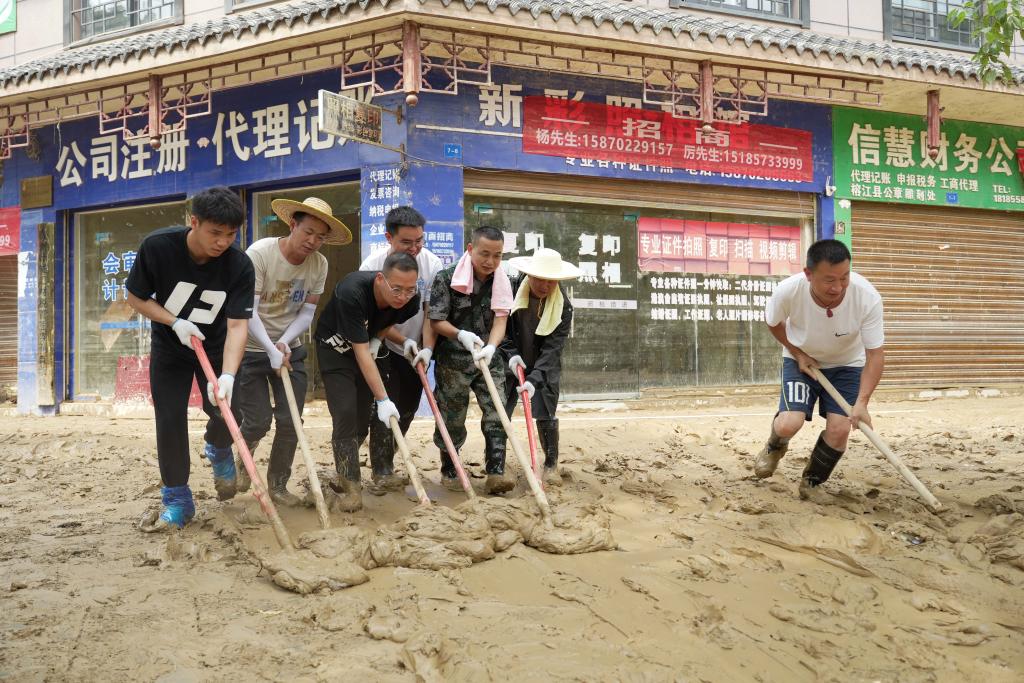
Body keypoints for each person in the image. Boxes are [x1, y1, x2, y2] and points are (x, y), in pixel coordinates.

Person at [126, 186, 255, 531]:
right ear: (193, 222)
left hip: (216, 347)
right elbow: (135, 297)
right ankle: (177, 498)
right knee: (169, 418)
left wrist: (228, 375)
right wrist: (174, 322)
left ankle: (218, 446)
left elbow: (238, 325)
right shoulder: (158, 247)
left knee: (229, 411)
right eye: (215, 232)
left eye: (231, 234)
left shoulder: (240, 266)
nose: (223, 242)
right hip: (172, 345)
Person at [232, 197, 351, 506]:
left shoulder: (319, 264)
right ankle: (243, 459)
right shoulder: (260, 254)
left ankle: (278, 485)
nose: (313, 241)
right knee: (257, 420)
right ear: (293, 224)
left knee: (291, 421)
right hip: (251, 349)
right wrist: (269, 348)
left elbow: (307, 313)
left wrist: (284, 343)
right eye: (308, 232)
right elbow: (248, 311)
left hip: (289, 349)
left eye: (320, 237)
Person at [754, 239, 885, 498]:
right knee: (789, 423)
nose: (838, 287)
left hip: (847, 365)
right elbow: (773, 322)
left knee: (840, 429)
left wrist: (862, 402)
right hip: (801, 359)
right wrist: (798, 353)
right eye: (829, 280)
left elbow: (875, 355)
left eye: (844, 277)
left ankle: (812, 481)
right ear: (808, 274)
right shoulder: (788, 291)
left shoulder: (867, 297)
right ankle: (774, 447)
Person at [315, 252, 422, 511]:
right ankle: (352, 487)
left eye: (410, 289)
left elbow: (388, 321)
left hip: (366, 347)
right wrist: (384, 399)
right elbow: (361, 354)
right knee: (345, 412)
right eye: (396, 289)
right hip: (335, 350)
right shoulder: (351, 292)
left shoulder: (411, 299)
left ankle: (344, 469)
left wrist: (377, 338)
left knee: (362, 418)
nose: (403, 296)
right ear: (380, 279)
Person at [358, 206, 442, 491]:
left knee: (407, 408)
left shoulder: (432, 264)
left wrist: (426, 348)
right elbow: (372, 320)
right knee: (386, 406)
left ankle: (387, 457)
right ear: (389, 238)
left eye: (419, 241)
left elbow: (431, 313)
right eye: (407, 242)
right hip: (380, 344)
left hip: (415, 350)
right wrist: (401, 339)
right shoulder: (372, 266)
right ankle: (382, 471)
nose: (415, 248)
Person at [429, 225, 514, 494]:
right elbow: (436, 320)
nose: (490, 261)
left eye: (497, 255)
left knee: (497, 412)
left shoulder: (503, 280)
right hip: (453, 360)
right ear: (470, 248)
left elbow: (501, 319)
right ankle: (450, 469)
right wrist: (460, 335)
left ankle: (496, 472)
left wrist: (492, 347)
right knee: (452, 417)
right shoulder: (446, 277)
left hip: (488, 359)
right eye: (484, 254)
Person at [500, 248, 580, 487]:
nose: (545, 285)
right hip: (510, 358)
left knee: (546, 409)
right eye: (540, 279)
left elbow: (553, 348)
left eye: (551, 281)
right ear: (529, 275)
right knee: (500, 410)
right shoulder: (510, 290)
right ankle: (497, 463)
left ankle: (550, 464)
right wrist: (512, 355)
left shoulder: (563, 306)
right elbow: (500, 329)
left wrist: (535, 378)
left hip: (543, 364)